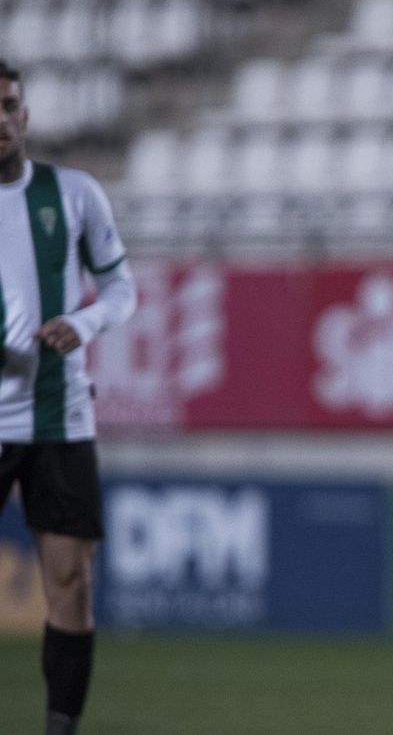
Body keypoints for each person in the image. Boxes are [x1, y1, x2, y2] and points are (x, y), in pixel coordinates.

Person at [0, 59, 138, 735]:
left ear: (23, 115)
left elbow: (121, 289)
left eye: (8, 105)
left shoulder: (74, 193)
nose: (0, 120)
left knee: (71, 583)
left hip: (60, 415)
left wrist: (79, 324)